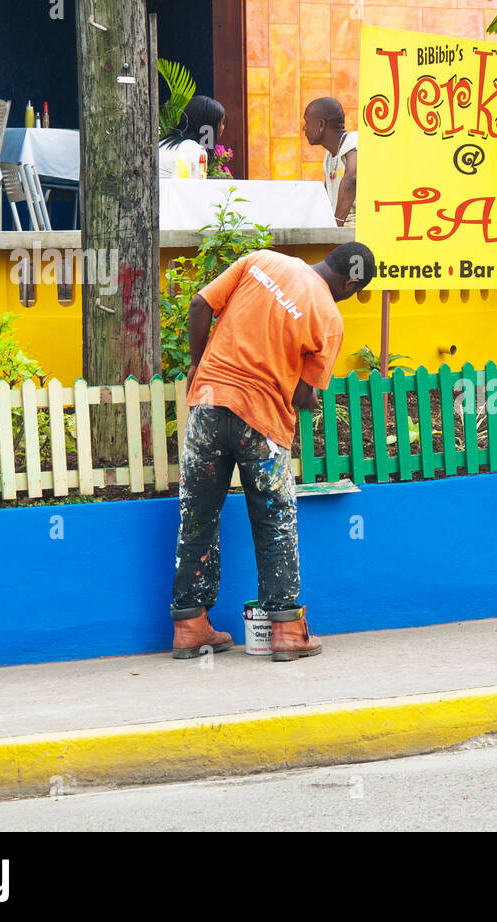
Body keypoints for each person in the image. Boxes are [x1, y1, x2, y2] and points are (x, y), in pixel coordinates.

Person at [170, 242, 376, 660]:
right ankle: (285, 632)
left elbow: (199, 305)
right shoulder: (330, 319)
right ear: (352, 281)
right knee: (274, 523)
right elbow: (303, 394)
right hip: (261, 425)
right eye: (356, 291)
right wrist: (313, 400)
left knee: (198, 516)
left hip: (208, 405)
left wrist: (196, 365)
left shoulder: (261, 260)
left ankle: (190, 626)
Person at [302, 97, 357, 226]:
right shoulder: (329, 157)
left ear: (321, 124)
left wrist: (336, 225)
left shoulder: (353, 141)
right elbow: (326, 199)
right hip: (339, 229)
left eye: (307, 122)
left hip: (356, 230)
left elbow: (352, 178)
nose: (304, 128)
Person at [160, 95, 226, 178]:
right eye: (222, 123)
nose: (222, 128)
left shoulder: (163, 143)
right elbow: (193, 187)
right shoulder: (193, 149)